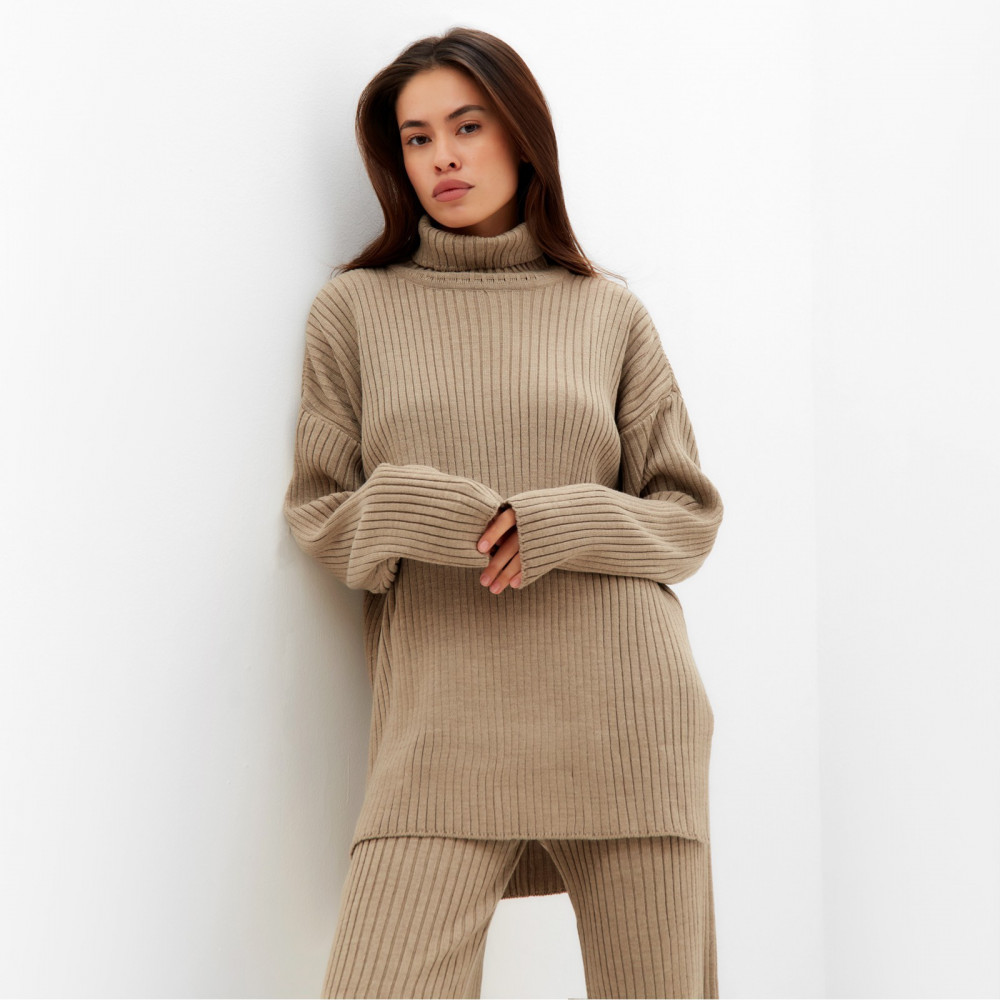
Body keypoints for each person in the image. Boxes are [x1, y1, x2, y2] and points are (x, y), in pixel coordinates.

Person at [283, 25, 725, 1000]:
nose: (441, 156)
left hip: (627, 716)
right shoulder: (355, 310)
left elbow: (687, 516)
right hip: (441, 723)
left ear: (522, 136)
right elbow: (321, 512)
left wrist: (558, 524)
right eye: (416, 138)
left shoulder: (606, 311)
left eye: (467, 126)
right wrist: (413, 506)